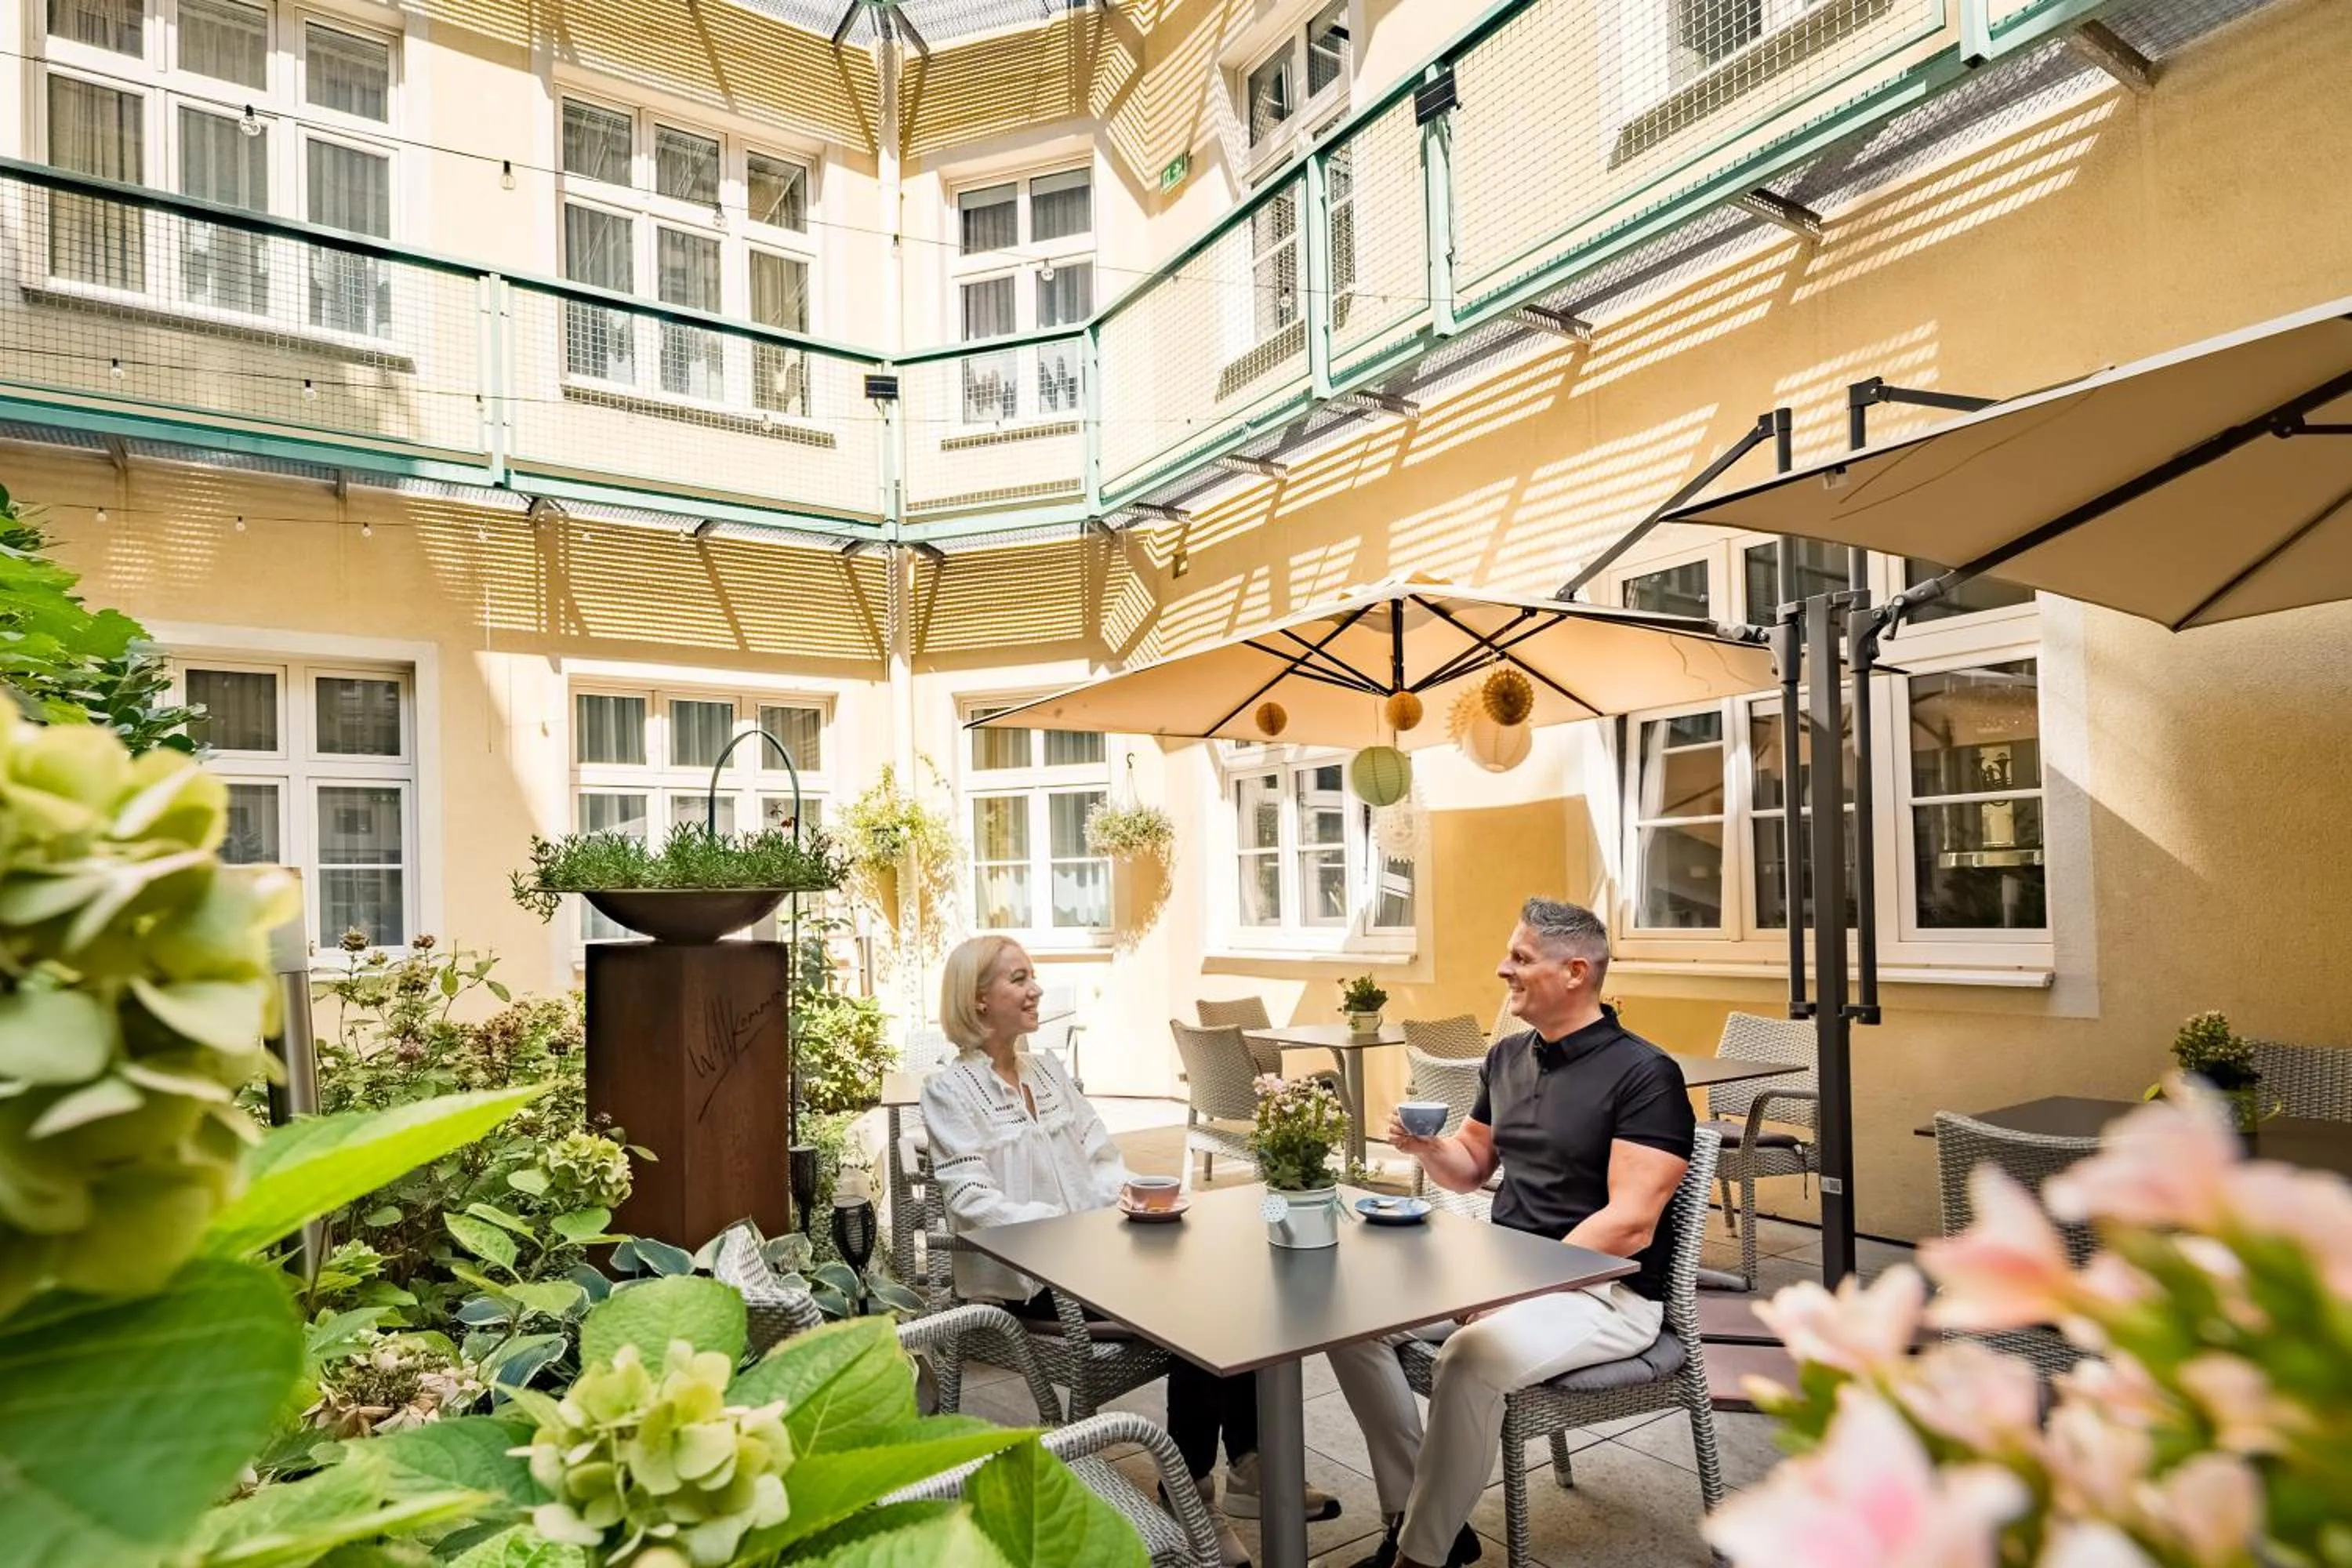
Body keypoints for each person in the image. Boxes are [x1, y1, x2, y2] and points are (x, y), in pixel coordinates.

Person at [920, 935, 1341, 1567]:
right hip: (1029, 1279)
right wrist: (1068, 1232)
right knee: (1200, 1315)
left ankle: (1249, 1465)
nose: (1036, 989)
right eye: (1019, 979)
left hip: (1098, 1257)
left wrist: (1139, 1200)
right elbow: (971, 1199)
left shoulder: (1047, 1072)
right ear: (978, 1000)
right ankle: (1191, 1490)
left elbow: (1101, 1159)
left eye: (1032, 976)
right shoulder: (950, 1090)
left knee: (1237, 1283)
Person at [1330, 898, 1695, 1568]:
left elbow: (1630, 1223)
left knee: (1469, 1357)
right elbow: (1471, 1166)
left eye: (1521, 958)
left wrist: (1516, 1291)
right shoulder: (1505, 1058)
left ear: (1575, 972)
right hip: (1508, 1279)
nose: (1503, 969)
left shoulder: (1646, 1074)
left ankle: (1419, 1559)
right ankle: (1421, 1521)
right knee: (1352, 1323)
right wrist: (1426, 1147)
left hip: (1607, 1296)